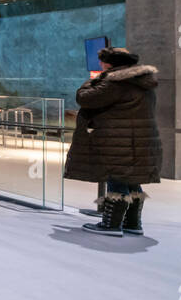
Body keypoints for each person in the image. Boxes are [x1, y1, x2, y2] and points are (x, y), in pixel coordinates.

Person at [64, 46, 161, 236]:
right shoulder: (142, 82)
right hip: (139, 138)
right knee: (130, 179)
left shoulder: (114, 82)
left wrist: (92, 81)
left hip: (116, 138)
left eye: (102, 61)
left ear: (109, 64)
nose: (100, 64)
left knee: (116, 179)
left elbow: (85, 98)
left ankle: (112, 224)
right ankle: (133, 223)